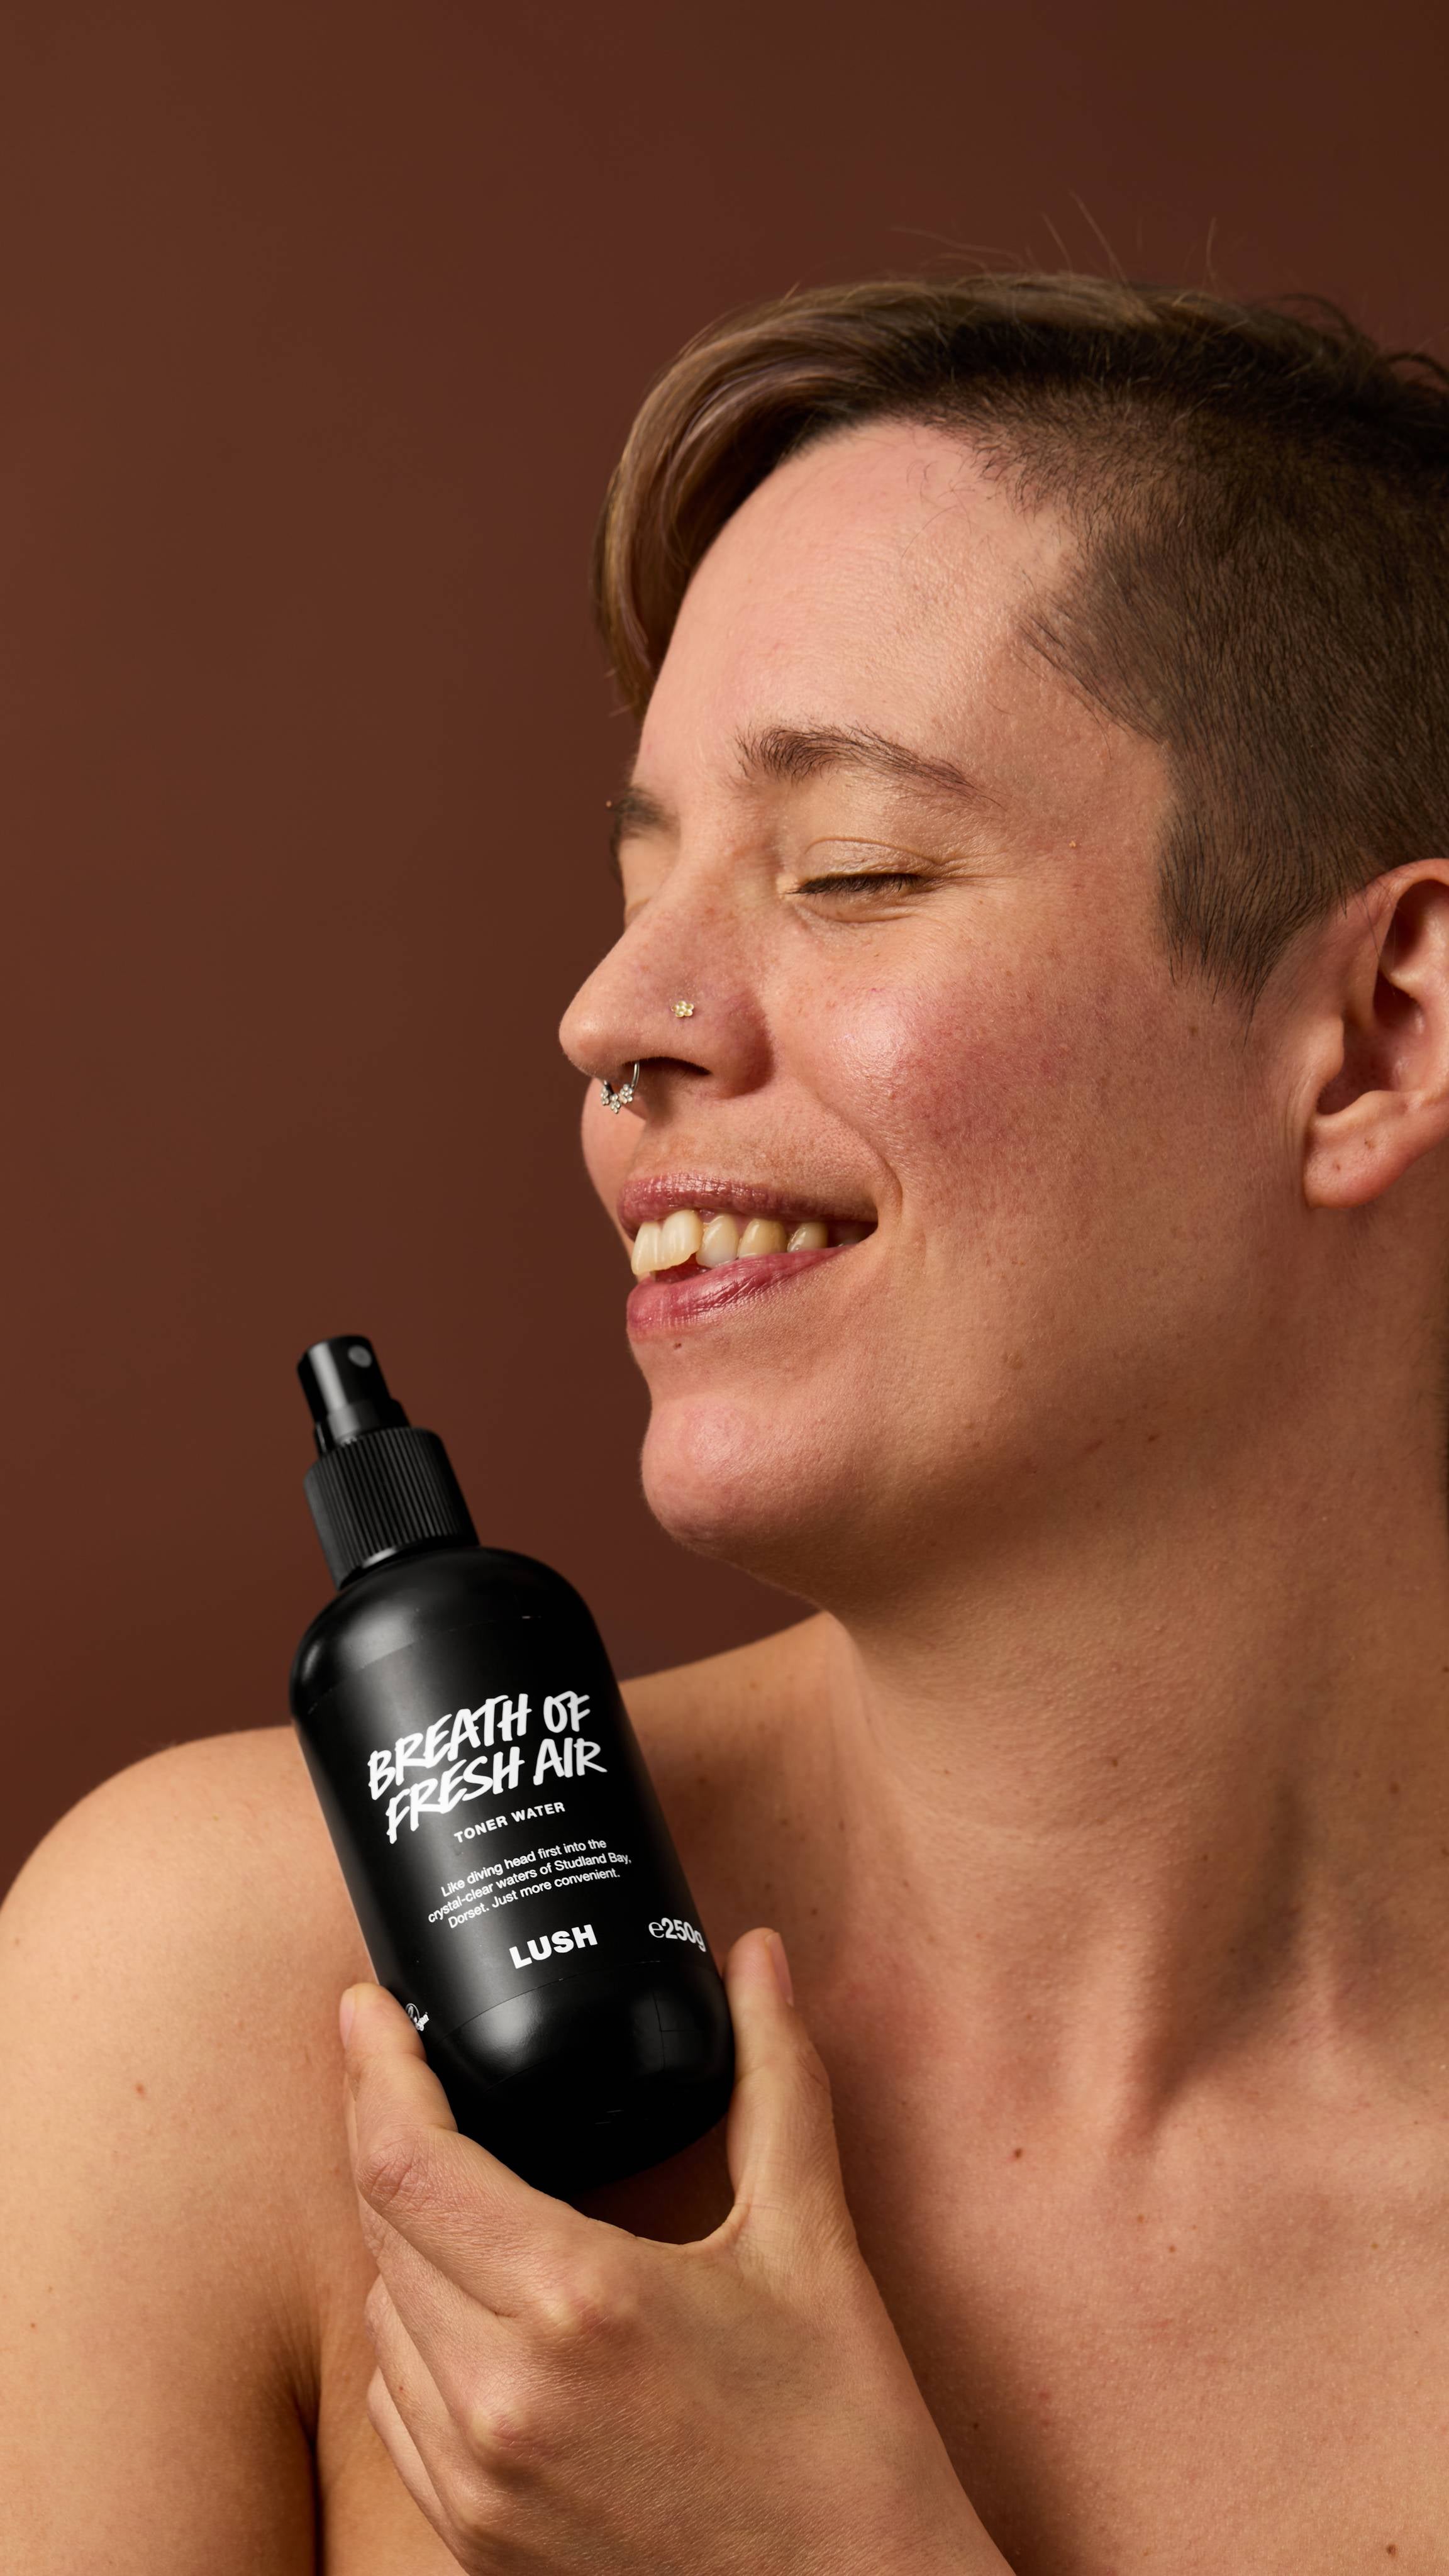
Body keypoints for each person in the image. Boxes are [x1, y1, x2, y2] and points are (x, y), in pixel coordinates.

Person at [6, 270, 1449, 2573]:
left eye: (849, 871)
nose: (612, 1013)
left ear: (1378, 1033)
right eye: (635, 884)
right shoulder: (213, 2001)